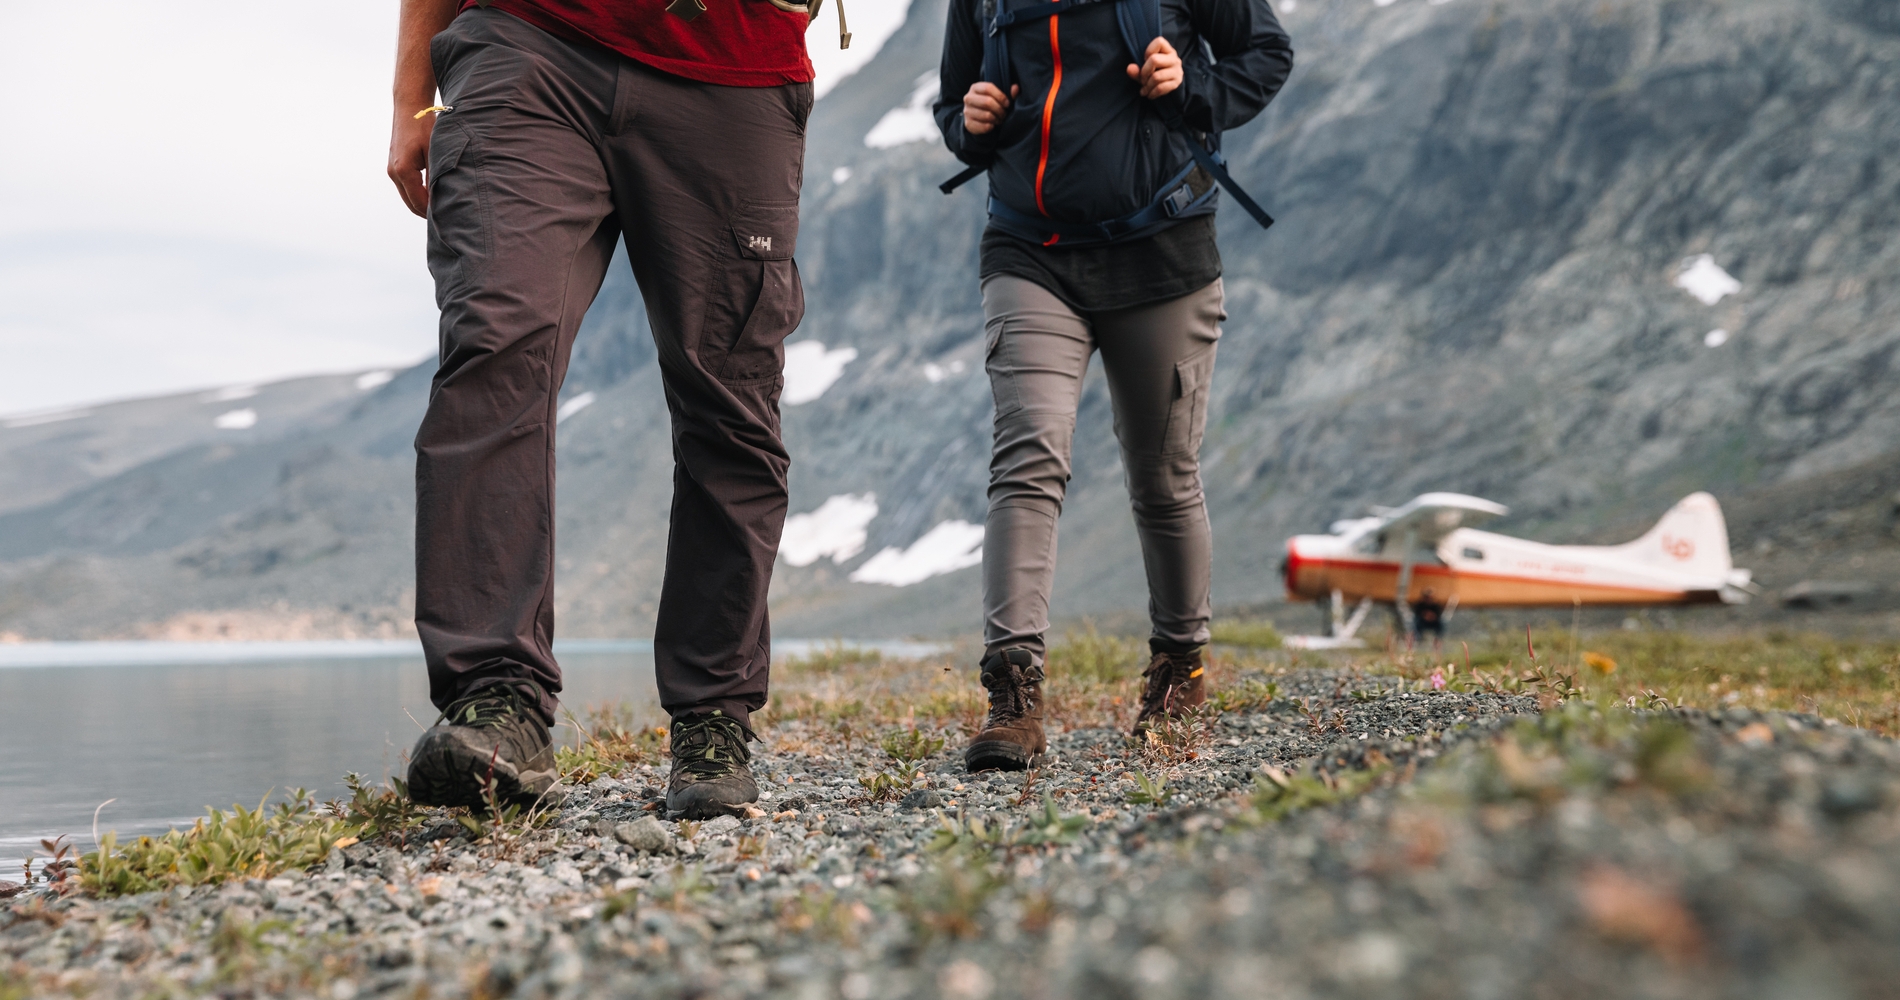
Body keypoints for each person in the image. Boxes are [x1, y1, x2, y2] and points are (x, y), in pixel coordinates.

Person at [385, 0, 821, 818]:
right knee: (494, 343)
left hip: (736, 66)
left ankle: (712, 717)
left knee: (732, 408)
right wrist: (414, 93)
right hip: (528, 42)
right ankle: (496, 702)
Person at [934, 0, 1293, 770]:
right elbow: (954, 101)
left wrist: (1190, 83)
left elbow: (1265, 54)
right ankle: (1014, 697)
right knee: (1026, 459)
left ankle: (1178, 675)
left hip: (1163, 251)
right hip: (1029, 253)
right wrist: (971, 121)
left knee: (1164, 477)